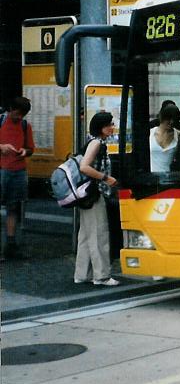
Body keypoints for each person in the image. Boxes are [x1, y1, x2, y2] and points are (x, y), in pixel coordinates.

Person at [75, 112, 119, 286]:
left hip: (85, 195)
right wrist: (105, 178)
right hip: (94, 194)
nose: (112, 127)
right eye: (109, 124)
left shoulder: (91, 142)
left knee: (85, 235)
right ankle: (101, 276)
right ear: (101, 127)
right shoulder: (97, 143)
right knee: (99, 234)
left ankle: (81, 274)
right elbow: (84, 167)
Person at [1, 97, 35, 260]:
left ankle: (10, 245)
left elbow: (30, 148)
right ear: (10, 109)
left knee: (13, 207)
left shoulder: (24, 125)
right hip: (2, 170)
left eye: (23, 114)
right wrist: (1, 147)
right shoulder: (1, 121)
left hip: (18, 170)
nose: (19, 117)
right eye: (17, 113)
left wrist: (24, 151)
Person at [150, 103, 180, 173]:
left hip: (170, 179)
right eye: (168, 119)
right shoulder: (150, 134)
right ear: (162, 117)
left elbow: (178, 159)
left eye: (174, 119)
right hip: (151, 179)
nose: (171, 122)